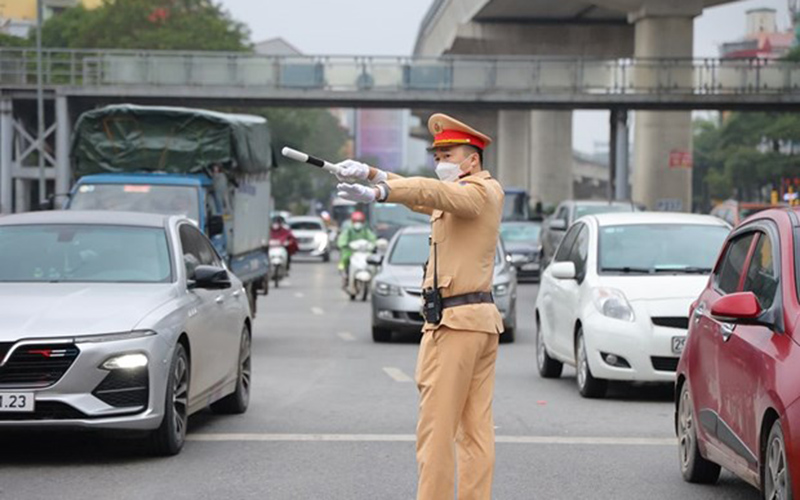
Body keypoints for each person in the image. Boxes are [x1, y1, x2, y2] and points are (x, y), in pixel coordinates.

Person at [335, 114, 504, 500]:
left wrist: (378, 192)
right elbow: (424, 197)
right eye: (437, 155)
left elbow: (432, 192)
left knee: (436, 432)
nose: (439, 160)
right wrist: (373, 174)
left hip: (456, 327)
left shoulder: (477, 193)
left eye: (447, 153)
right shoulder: (469, 197)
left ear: (471, 160)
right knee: (475, 432)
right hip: (475, 323)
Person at [337, 211, 376, 281]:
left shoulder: (366, 230)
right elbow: (342, 239)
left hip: (364, 251)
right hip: (351, 250)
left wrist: (374, 244)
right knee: (345, 256)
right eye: (356, 221)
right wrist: (344, 244)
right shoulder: (348, 230)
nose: (358, 223)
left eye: (360, 221)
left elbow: (372, 238)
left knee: (373, 259)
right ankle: (344, 272)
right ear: (352, 221)